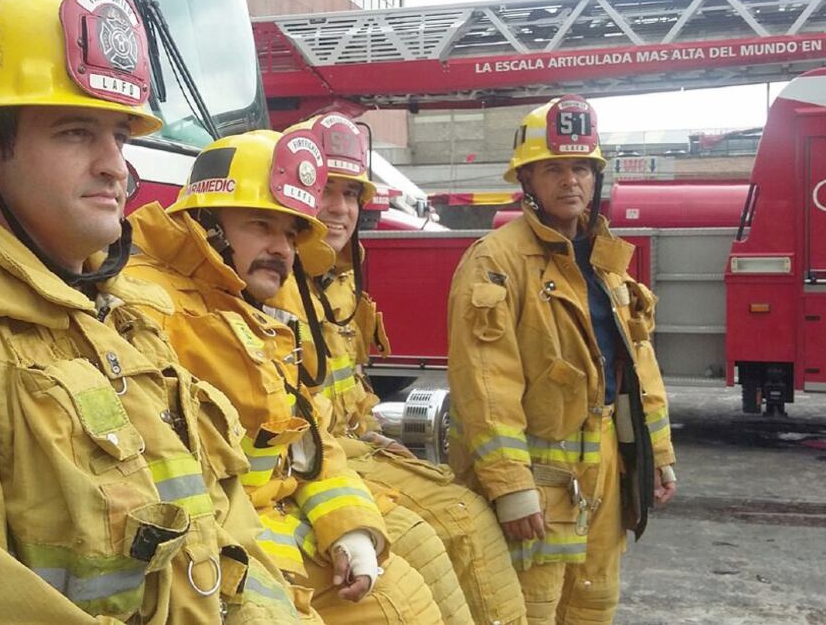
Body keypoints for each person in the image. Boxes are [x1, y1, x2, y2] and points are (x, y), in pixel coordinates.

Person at [0, 0, 300, 623]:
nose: (115, 165)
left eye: (118, 135)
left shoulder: (125, 315)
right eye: (73, 133)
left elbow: (228, 527)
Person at [125, 129, 444, 624]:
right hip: (228, 567)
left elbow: (307, 438)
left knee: (408, 600)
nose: (283, 249)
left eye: (291, 235)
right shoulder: (149, 308)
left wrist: (351, 529)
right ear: (205, 222)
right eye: (261, 225)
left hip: (288, 539)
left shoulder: (251, 310)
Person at [273, 112, 528, 625]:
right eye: (327, 190)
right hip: (318, 467)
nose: (341, 209)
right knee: (448, 529)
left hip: (355, 450)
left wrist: (370, 430)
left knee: (465, 517)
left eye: (351, 195)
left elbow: (349, 385)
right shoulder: (270, 285)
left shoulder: (342, 281)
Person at [447, 95, 678, 624]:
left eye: (580, 168)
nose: (569, 181)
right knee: (528, 611)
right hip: (540, 487)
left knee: (593, 606)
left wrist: (657, 452)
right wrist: (510, 487)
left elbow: (637, 368)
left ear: (596, 178)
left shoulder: (606, 262)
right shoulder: (496, 261)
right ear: (527, 181)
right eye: (553, 169)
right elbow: (485, 384)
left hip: (605, 479)